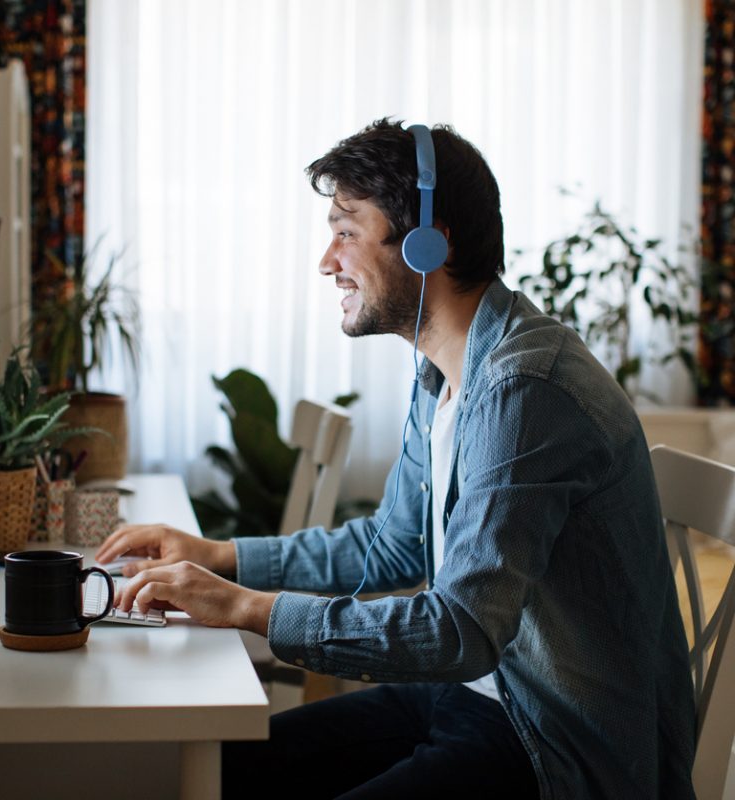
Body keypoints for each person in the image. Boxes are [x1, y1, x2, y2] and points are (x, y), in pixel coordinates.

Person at [96, 119, 696, 799]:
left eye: (347, 230)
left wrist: (247, 607)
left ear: (424, 243)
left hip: (547, 742)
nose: (328, 260)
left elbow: (461, 630)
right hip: (472, 697)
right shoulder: (444, 370)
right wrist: (218, 557)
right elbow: (391, 548)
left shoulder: (526, 389)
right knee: (218, 773)